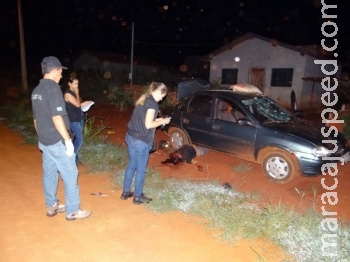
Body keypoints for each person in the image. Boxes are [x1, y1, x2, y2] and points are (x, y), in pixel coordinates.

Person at [31, 56, 91, 221]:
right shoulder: (53, 89)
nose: (61, 76)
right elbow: (57, 118)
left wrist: (41, 137)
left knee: (50, 173)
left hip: (45, 141)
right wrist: (66, 141)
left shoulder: (36, 91)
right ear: (55, 70)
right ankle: (72, 210)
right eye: (60, 72)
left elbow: (36, 119)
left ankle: (51, 205)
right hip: (57, 141)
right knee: (70, 173)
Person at [121, 82, 171, 204]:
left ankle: (125, 192)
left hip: (131, 136)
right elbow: (148, 124)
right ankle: (137, 197)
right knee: (141, 169)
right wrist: (163, 120)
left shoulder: (144, 99)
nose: (162, 99)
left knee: (132, 164)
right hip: (140, 141)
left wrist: (158, 120)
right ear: (160, 92)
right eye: (162, 96)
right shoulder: (153, 104)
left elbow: (144, 118)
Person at [64, 77, 86, 165]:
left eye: (77, 84)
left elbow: (79, 104)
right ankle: (70, 158)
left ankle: (76, 159)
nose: (77, 86)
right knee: (80, 140)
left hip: (79, 118)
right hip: (73, 120)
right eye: (75, 84)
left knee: (75, 139)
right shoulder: (67, 94)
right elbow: (77, 105)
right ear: (69, 84)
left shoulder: (73, 93)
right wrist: (77, 93)